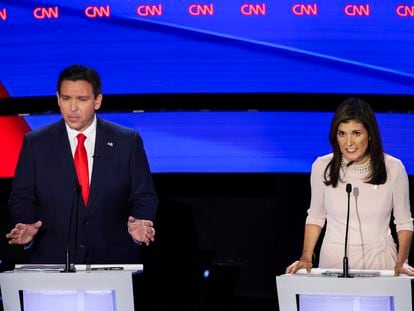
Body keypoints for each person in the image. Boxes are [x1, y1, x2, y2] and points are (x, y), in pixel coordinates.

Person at [6, 64, 158, 264]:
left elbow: (144, 195)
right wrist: (26, 225)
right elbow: (21, 196)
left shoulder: (127, 141)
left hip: (111, 261)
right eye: (66, 99)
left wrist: (140, 223)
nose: (73, 108)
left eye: (82, 99)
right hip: (53, 261)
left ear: (97, 101)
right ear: (58, 99)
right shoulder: (36, 143)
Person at [286, 97, 414, 276]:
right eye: (342, 133)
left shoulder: (393, 168)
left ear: (369, 134)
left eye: (356, 133)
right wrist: (306, 257)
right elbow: (315, 216)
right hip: (334, 262)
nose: (349, 143)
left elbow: (403, 221)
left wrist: (402, 261)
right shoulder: (322, 166)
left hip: (380, 263)